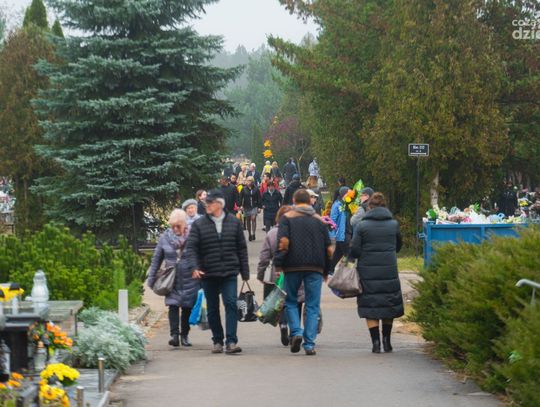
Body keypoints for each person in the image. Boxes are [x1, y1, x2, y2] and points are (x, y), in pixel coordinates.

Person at [187, 189, 250, 354]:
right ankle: (217, 340)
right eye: (206, 202)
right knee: (212, 308)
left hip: (229, 272)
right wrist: (194, 267)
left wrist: (245, 272)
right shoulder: (199, 224)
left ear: (219, 204)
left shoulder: (234, 222)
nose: (206, 205)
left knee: (231, 304)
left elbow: (241, 248)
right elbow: (191, 248)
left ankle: (231, 341)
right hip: (208, 273)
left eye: (210, 202)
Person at [273, 189, 332, 355]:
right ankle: (309, 344)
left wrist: (278, 264)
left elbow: (283, 243)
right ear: (309, 201)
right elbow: (328, 248)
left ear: (294, 201)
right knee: (312, 305)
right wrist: (326, 270)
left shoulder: (287, 218)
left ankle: (296, 331)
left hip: (292, 266)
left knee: (290, 301)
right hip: (315, 267)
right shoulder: (319, 220)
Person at [349, 192, 404, 354]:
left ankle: (375, 343)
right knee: (388, 304)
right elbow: (398, 246)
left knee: (371, 306)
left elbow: (355, 249)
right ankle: (387, 342)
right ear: (385, 206)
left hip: (367, 271)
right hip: (389, 270)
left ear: (369, 207)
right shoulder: (393, 224)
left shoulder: (362, 226)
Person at [147, 209, 200, 347]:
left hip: (190, 277)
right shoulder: (165, 237)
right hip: (171, 278)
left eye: (178, 226)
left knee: (188, 307)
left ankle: (185, 335)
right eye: (173, 226)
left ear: (185, 224)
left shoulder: (193, 236)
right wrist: (151, 278)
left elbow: (201, 255)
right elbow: (156, 259)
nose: (175, 229)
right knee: (173, 305)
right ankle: (174, 335)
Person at [257, 205, 303, 346]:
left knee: (280, 300)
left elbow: (264, 257)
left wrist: (260, 274)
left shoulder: (271, 233)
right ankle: (294, 331)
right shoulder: (299, 232)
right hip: (297, 270)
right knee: (296, 300)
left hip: (277, 272)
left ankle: (283, 324)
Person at [330, 186, 352, 273]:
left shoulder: (347, 204)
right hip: (342, 234)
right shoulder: (337, 205)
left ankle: (329, 269)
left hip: (347, 233)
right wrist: (332, 235)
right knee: (349, 255)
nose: (350, 195)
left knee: (338, 254)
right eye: (348, 194)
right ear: (344, 194)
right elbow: (332, 220)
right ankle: (349, 272)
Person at [240, 176, 262, 241]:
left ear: (253, 182)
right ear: (246, 181)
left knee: (253, 218)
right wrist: (240, 205)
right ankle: (249, 234)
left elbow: (259, 198)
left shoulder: (256, 189)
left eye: (250, 181)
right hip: (246, 206)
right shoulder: (243, 189)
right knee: (248, 220)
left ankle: (253, 233)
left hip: (254, 206)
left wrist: (259, 207)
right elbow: (240, 198)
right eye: (248, 181)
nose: (249, 182)